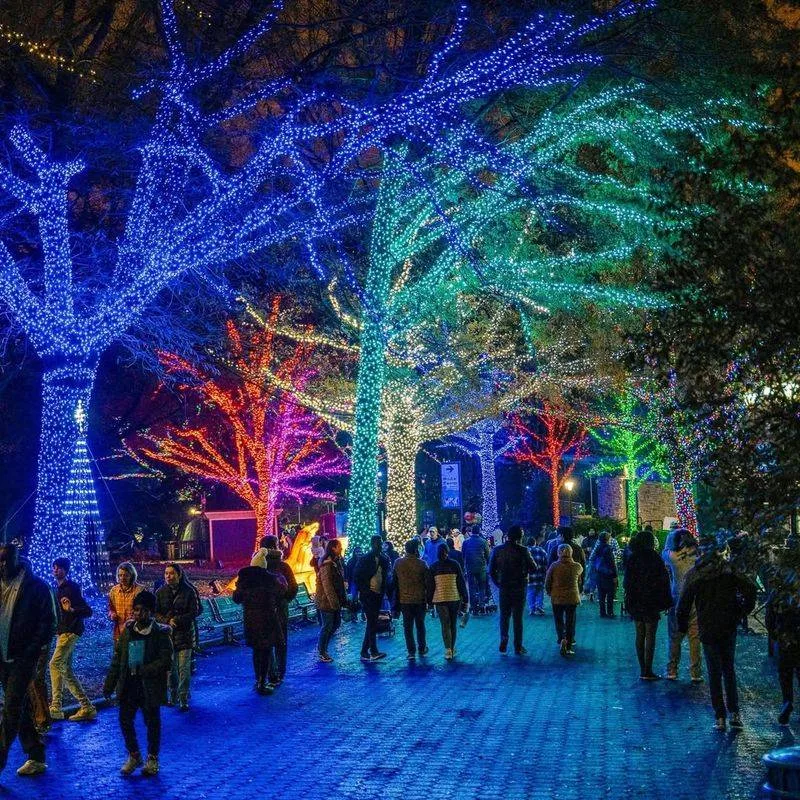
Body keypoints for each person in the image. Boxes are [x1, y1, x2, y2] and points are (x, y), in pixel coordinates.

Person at [676, 539, 757, 731]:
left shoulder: (697, 574)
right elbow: (750, 587)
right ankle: (734, 712)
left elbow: (684, 602)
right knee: (728, 668)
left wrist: (681, 626)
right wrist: (742, 611)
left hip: (708, 625)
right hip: (727, 624)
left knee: (714, 671)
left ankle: (720, 716)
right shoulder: (728, 571)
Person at [0, 542, 57, 778]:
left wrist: (32, 650)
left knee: (11, 707)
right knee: (19, 707)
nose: (2, 565)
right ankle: (36, 754)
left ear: (17, 559)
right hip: (2, 657)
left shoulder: (36, 587)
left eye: (6, 560)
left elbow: (49, 622)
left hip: (22, 657)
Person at [103, 590, 173, 777]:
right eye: (135, 610)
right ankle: (134, 754)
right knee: (125, 720)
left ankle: (152, 757)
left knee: (152, 722)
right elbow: (118, 659)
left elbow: (166, 661)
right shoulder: (128, 632)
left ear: (150, 612)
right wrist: (109, 684)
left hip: (149, 686)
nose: (137, 613)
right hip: (129, 685)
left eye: (142, 610)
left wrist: (147, 669)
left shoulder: (159, 634)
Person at [49, 557, 96, 722]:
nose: (55, 570)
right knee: (65, 669)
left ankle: (55, 706)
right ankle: (86, 707)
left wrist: (72, 609)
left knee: (54, 664)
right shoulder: (57, 589)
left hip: (70, 631)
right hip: (62, 632)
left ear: (65, 570)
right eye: (54, 567)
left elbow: (88, 611)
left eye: (59, 568)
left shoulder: (72, 587)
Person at [623, 531, 674, 680]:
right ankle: (648, 669)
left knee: (640, 633)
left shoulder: (633, 557)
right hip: (650, 601)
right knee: (650, 635)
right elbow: (663, 581)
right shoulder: (653, 557)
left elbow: (627, 581)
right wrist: (665, 601)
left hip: (636, 600)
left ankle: (642, 669)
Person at [232, 565, 287, 692]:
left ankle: (259, 680)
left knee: (257, 651)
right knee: (266, 651)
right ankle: (263, 681)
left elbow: (236, 598)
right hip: (268, 620)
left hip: (252, 622)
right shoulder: (268, 579)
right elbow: (281, 593)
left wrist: (238, 587)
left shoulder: (244, 580)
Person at [251, 536, 298, 685]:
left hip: (262, 611)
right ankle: (280, 672)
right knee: (281, 642)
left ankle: (270, 672)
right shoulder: (283, 566)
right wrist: (284, 600)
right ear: (276, 546)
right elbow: (293, 588)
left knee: (266, 643)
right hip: (280, 611)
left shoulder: (257, 566)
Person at [155, 563, 200, 711]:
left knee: (184, 669)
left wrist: (178, 620)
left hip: (185, 634)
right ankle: (173, 694)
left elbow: (195, 611)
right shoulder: (160, 592)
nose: (168, 576)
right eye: (166, 573)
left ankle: (183, 696)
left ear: (179, 575)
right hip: (167, 636)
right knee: (170, 669)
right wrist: (167, 621)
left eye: (171, 573)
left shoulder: (189, 591)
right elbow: (155, 613)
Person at [663, 529, 702, 682]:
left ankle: (672, 670)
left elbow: (664, 549)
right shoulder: (697, 555)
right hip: (694, 598)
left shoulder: (672, 556)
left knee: (674, 636)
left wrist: (672, 539)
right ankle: (695, 672)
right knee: (695, 637)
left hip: (677, 597)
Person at [489, 525, 535, 655]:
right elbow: (533, 567)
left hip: (504, 586)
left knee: (504, 615)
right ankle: (518, 646)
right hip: (519, 587)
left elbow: (491, 570)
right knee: (518, 617)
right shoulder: (523, 550)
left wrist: (498, 583)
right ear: (520, 537)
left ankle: (504, 637)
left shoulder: (498, 550)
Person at [766, 571, 800, 725]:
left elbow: (769, 617)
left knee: (785, 673)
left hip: (785, 638)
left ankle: (787, 701)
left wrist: (774, 634)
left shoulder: (778, 592)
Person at [427, 543, 468, 659]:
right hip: (454, 597)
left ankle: (447, 649)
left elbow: (431, 586)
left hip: (440, 598)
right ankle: (452, 647)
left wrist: (429, 601)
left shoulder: (434, 567)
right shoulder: (455, 564)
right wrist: (465, 598)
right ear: (448, 552)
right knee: (453, 623)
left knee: (445, 624)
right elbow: (461, 582)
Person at [354, 535, 391, 662]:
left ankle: (365, 651)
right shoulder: (366, 559)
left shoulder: (383, 559)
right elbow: (357, 576)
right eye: (377, 543)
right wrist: (364, 590)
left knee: (372, 622)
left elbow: (386, 576)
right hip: (369, 595)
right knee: (372, 622)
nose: (380, 546)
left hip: (377, 594)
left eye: (380, 543)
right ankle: (372, 651)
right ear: (372, 544)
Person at [391, 539, 430, 659]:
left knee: (407, 627)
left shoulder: (398, 563)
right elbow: (427, 582)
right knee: (420, 625)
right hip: (419, 599)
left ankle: (411, 651)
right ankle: (422, 648)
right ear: (415, 549)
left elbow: (394, 582)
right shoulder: (422, 564)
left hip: (404, 600)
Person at [545, 544, 583, 657]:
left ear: (558, 553)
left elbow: (548, 581)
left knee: (558, 619)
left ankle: (561, 638)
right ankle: (569, 644)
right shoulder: (577, 566)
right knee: (570, 620)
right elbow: (580, 580)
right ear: (571, 553)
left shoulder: (554, 566)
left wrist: (549, 591)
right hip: (572, 597)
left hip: (557, 597)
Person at [315, 539, 348, 663]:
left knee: (336, 624)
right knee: (328, 625)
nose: (341, 548)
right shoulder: (327, 564)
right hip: (326, 601)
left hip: (334, 600)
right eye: (339, 546)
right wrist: (334, 603)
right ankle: (322, 650)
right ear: (333, 548)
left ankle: (322, 647)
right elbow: (327, 585)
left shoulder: (336, 562)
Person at [108, 562, 144, 642]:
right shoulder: (114, 591)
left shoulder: (139, 591)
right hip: (119, 632)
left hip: (136, 631)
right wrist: (112, 614)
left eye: (126, 575)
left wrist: (132, 619)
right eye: (120, 575)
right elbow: (111, 608)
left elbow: (144, 612)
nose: (122, 578)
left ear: (132, 576)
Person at [462, 528, 491, 614]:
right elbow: (487, 555)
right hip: (481, 567)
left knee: (471, 587)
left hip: (470, 567)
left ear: (471, 532)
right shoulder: (483, 541)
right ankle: (481, 605)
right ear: (479, 532)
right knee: (481, 586)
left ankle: (473, 606)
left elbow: (463, 554)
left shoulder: (466, 542)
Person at [590, 532, 618, 618]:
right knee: (610, 594)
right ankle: (610, 612)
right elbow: (612, 563)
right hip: (608, 574)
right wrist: (615, 575)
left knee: (601, 594)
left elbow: (592, 559)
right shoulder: (608, 548)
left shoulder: (597, 547)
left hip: (599, 573)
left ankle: (602, 612)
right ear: (607, 539)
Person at [526, 534, 548, 616]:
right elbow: (546, 562)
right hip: (540, 575)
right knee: (540, 591)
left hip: (529, 576)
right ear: (535, 543)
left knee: (530, 592)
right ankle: (539, 606)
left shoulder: (526, 551)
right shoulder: (541, 550)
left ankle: (532, 609)